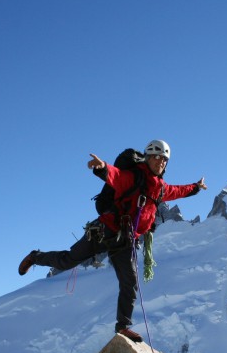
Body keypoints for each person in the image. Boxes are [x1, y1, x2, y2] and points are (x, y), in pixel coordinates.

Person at [18, 139, 207, 342]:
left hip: (125, 242)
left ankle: (123, 326)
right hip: (104, 231)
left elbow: (179, 191)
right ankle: (34, 257)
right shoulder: (135, 177)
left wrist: (196, 187)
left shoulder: (161, 188)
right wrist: (102, 168)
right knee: (68, 260)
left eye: (164, 159)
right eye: (157, 157)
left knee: (130, 282)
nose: (161, 162)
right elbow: (116, 177)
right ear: (148, 158)